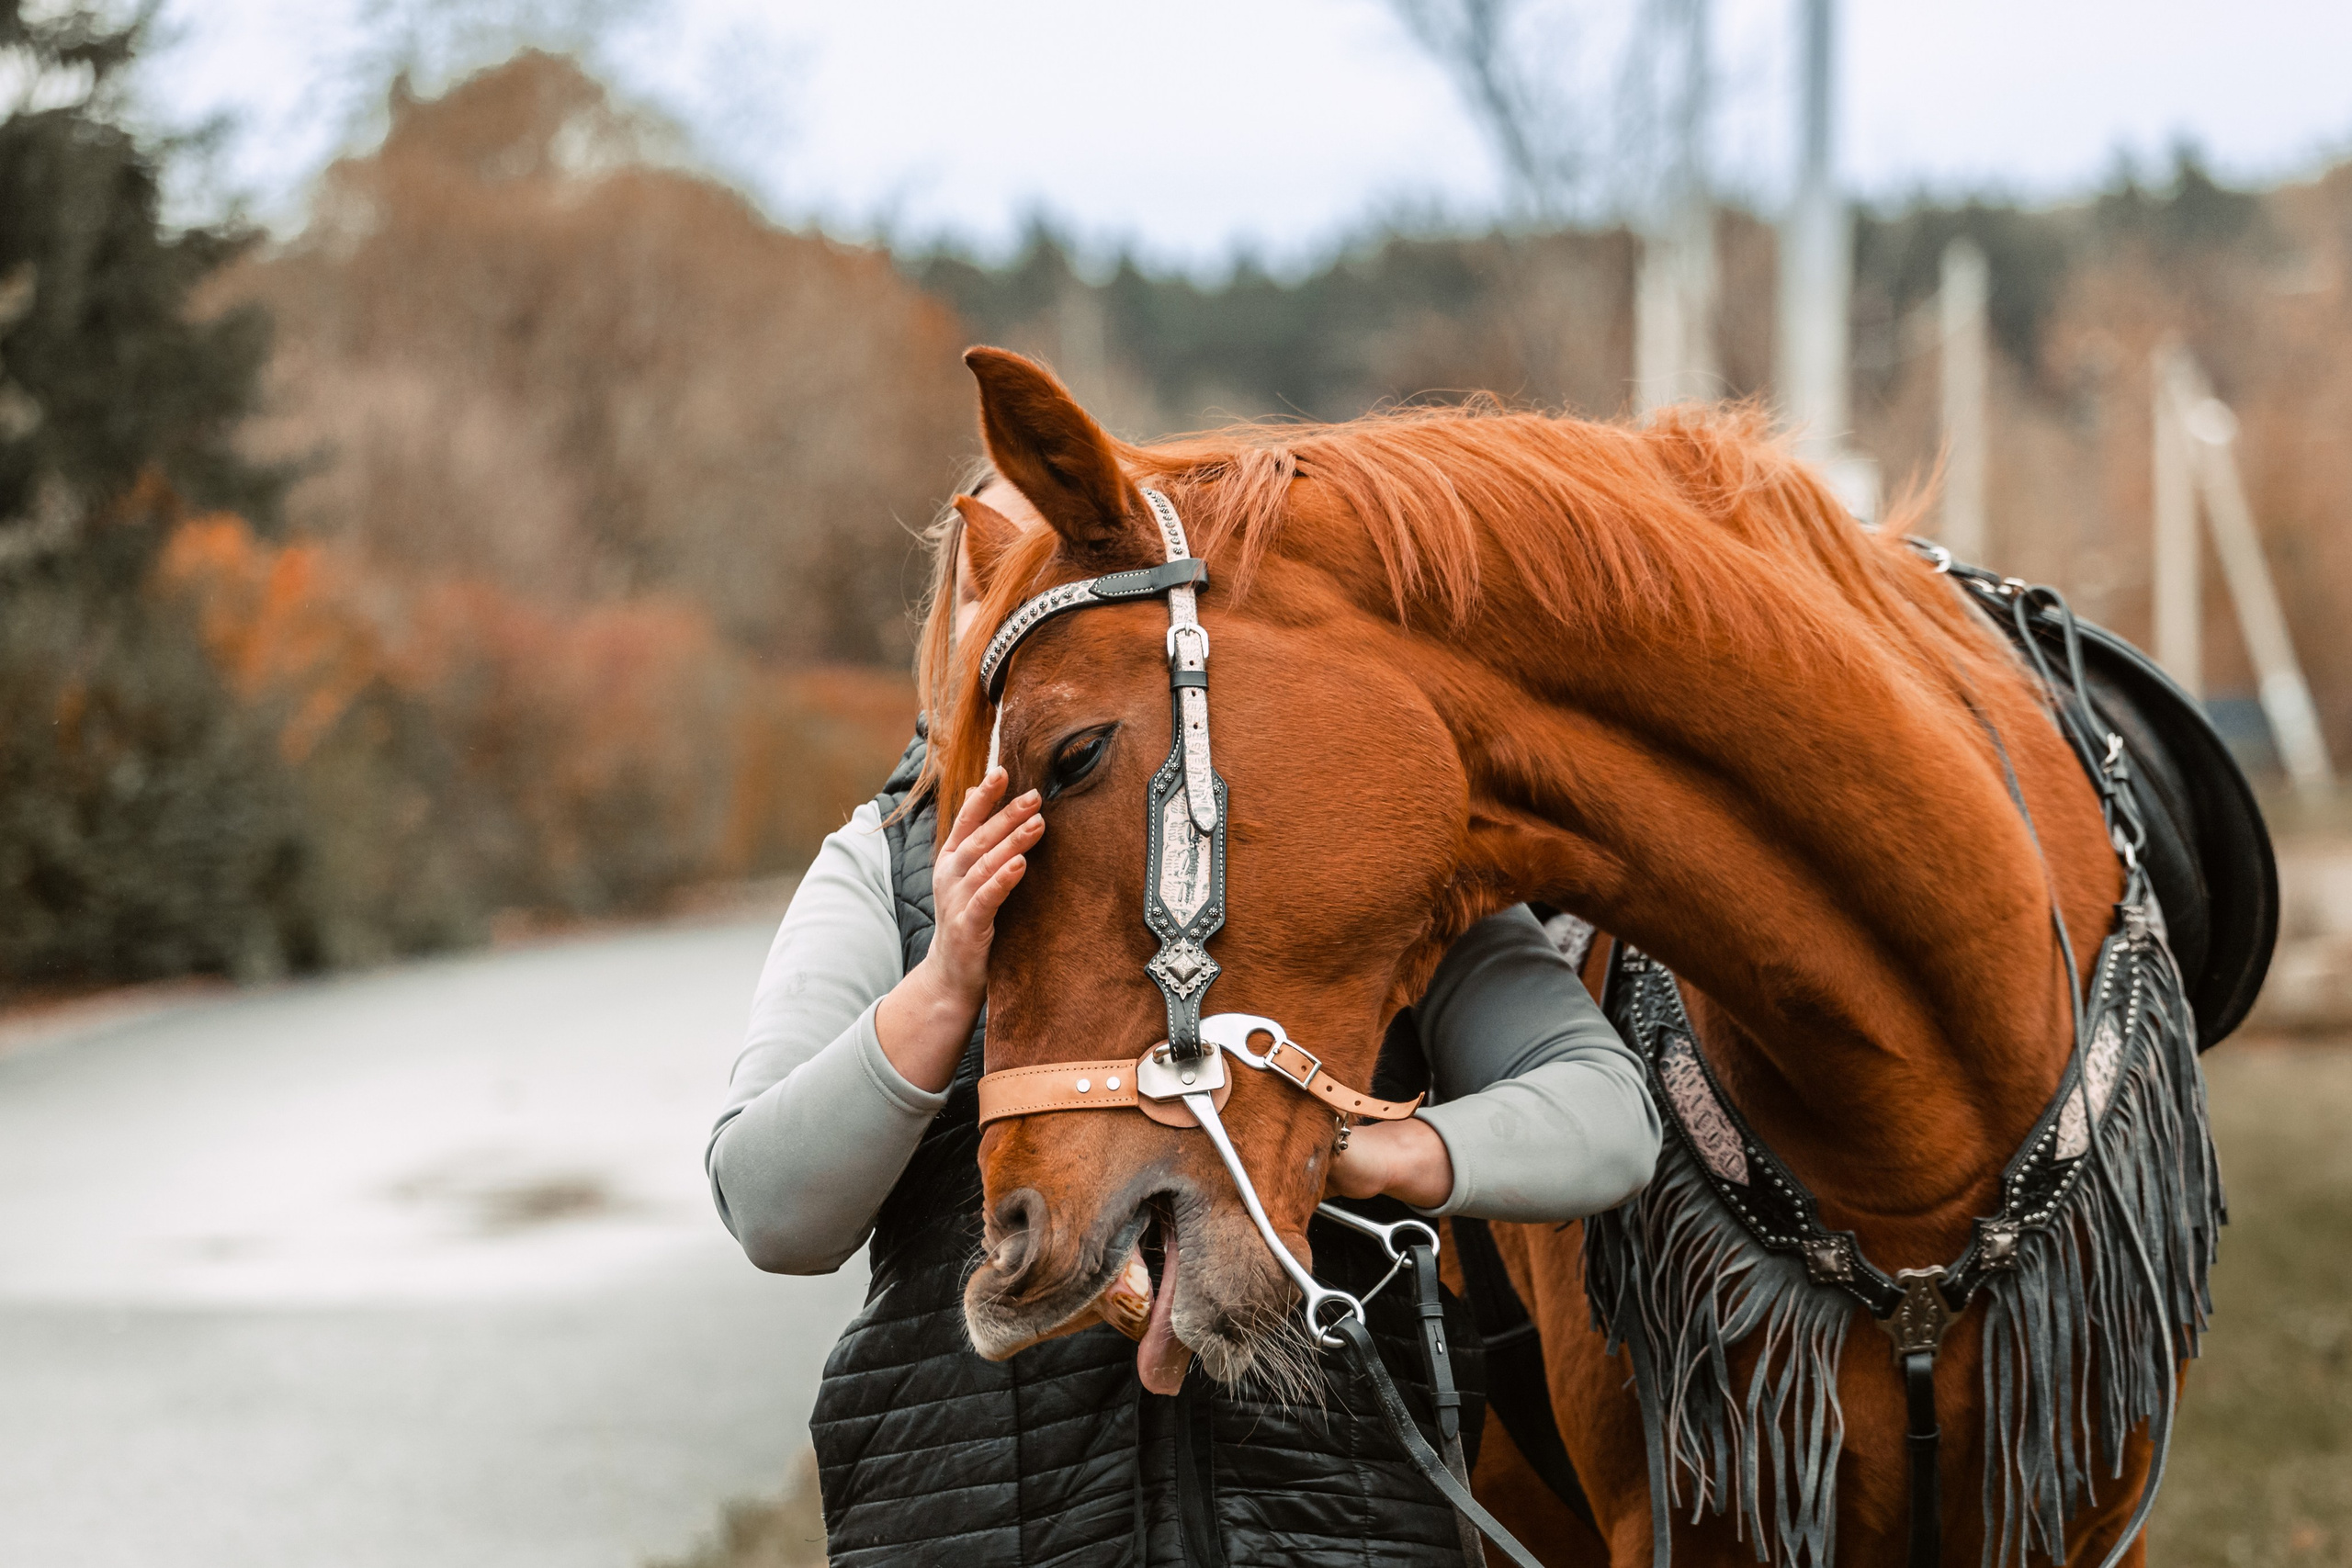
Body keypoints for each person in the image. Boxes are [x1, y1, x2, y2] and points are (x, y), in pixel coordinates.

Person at [707, 477, 1661, 1567]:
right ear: (960, 613)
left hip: (1337, 1533)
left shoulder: (1326, 849)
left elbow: (1606, 1117)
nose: (1053, 589)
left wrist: (1353, 1151)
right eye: (1005, 566)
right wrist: (946, 979)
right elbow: (772, 1210)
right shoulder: (880, 865)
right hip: (976, 1532)